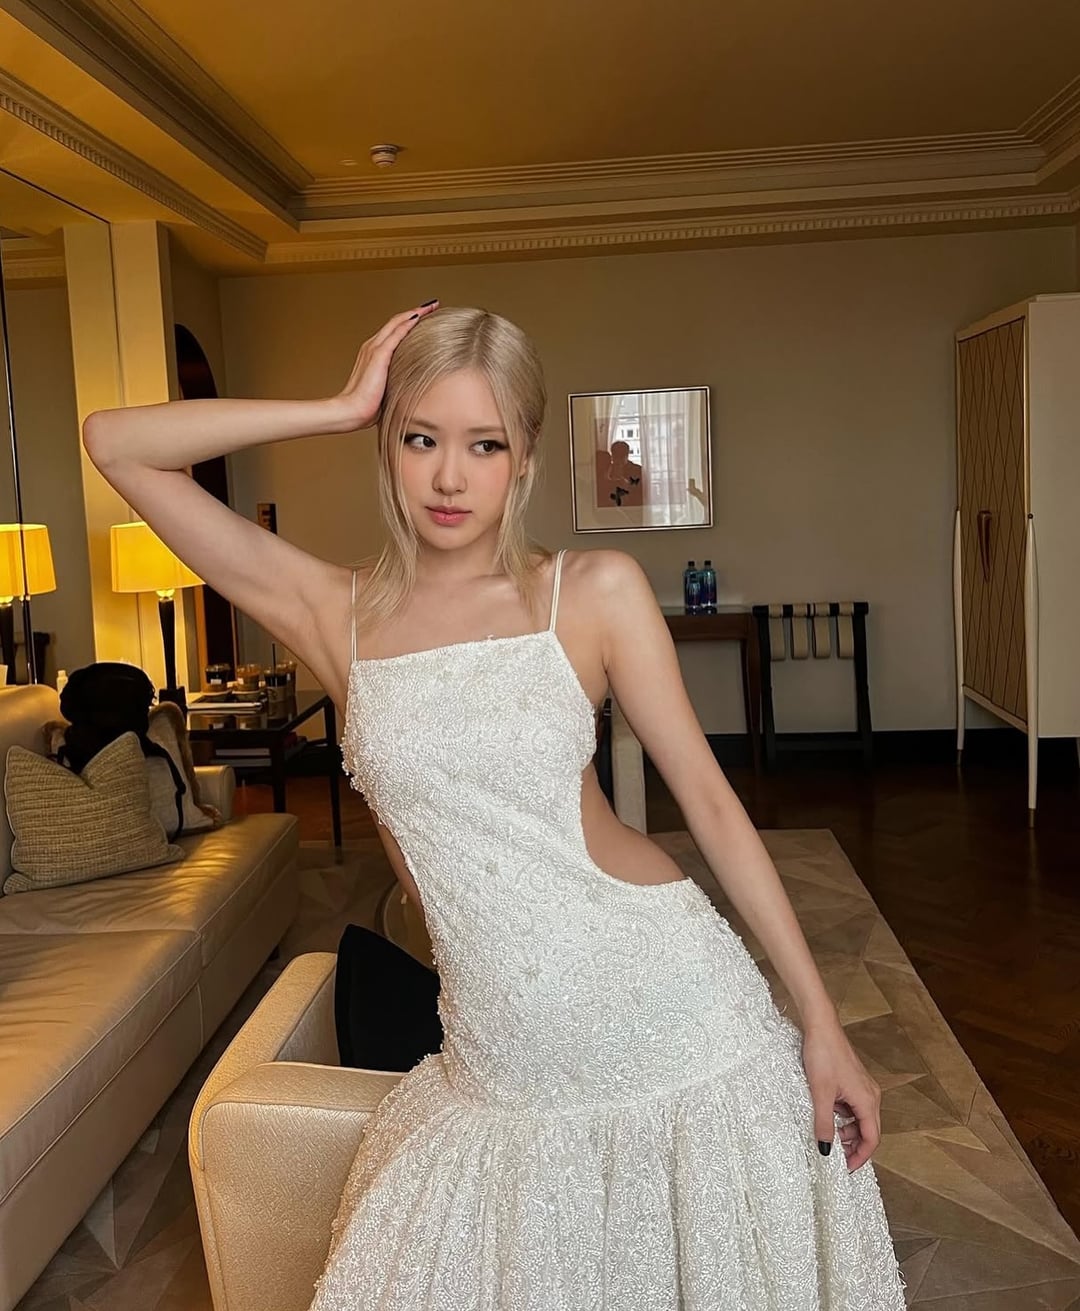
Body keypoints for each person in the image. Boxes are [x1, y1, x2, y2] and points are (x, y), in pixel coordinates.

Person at [83, 301, 908, 1308]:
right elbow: (115, 443)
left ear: (524, 460)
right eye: (419, 438)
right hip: (502, 1058)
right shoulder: (335, 613)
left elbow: (711, 803)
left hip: (672, 1006)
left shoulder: (590, 591)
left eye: (484, 444)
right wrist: (339, 404)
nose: (448, 476)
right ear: (387, 446)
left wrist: (820, 1021)